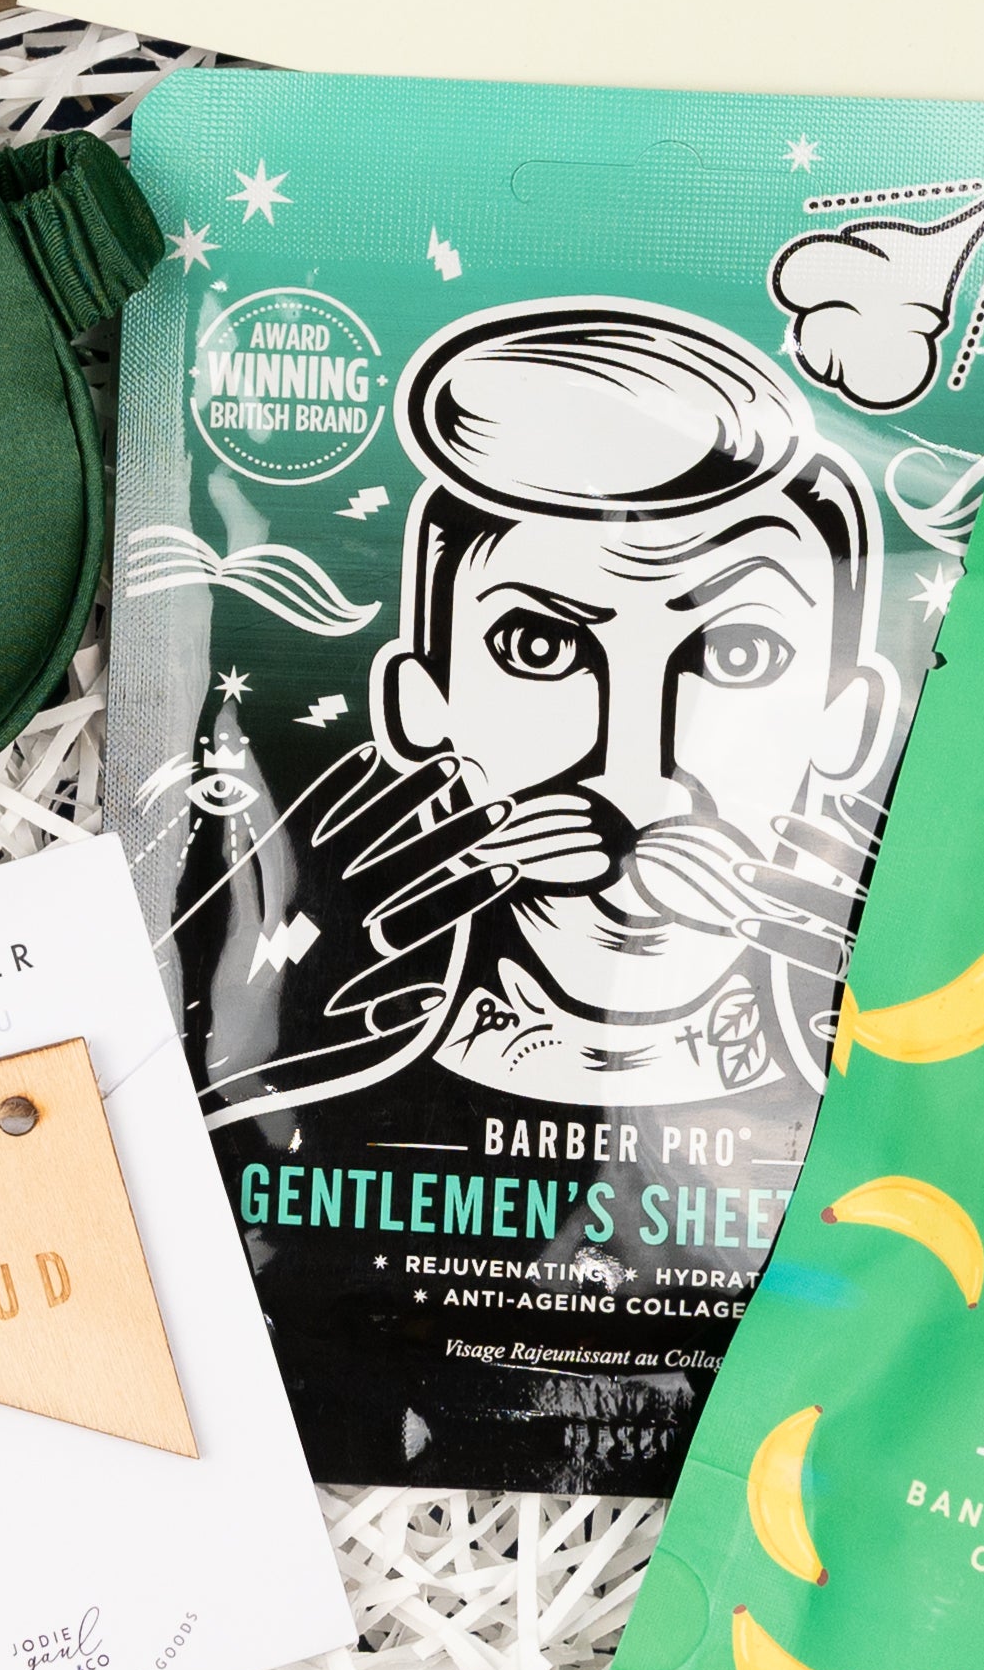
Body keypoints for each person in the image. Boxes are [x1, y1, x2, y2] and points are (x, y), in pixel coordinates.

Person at [165, 300, 901, 1122]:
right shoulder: (254, 1138)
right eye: (541, 648)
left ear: (849, 723)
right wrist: (279, 997)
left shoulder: (924, 1149)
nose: (636, 788)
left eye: (738, 655)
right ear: (418, 705)